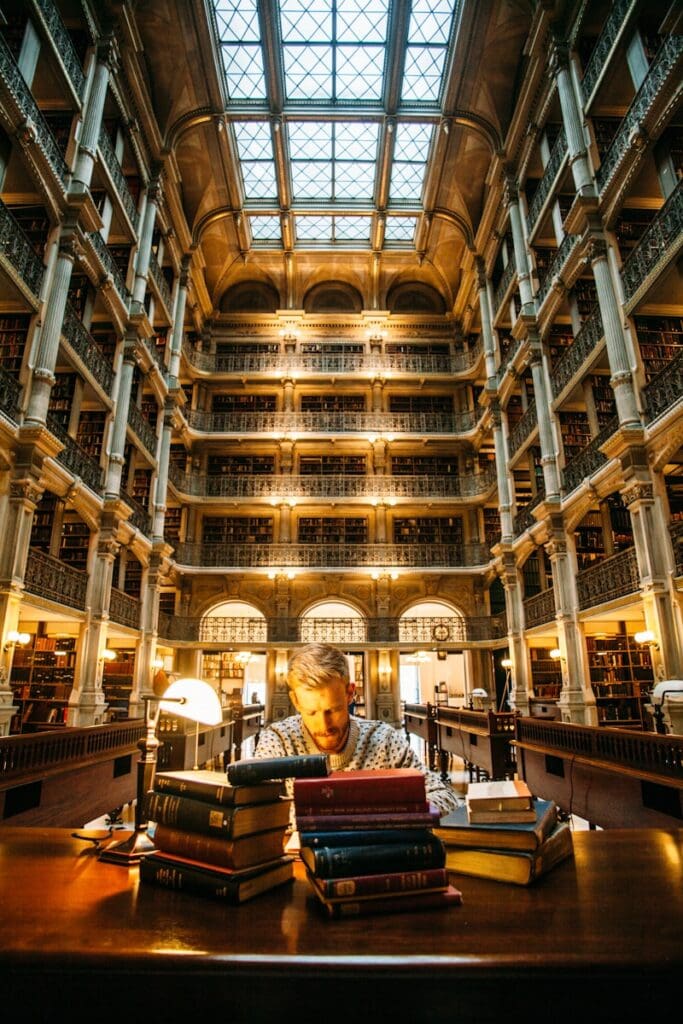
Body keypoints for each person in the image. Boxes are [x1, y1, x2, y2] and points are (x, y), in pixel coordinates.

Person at [253, 642, 460, 816]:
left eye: (333, 710)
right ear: (296, 701)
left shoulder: (384, 740)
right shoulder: (278, 740)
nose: (324, 726)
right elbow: (253, 811)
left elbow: (444, 796)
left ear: (350, 693)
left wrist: (391, 817)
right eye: (312, 713)